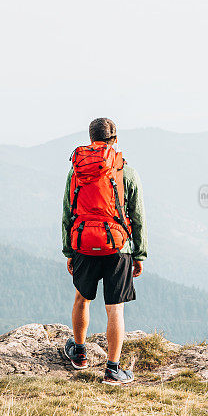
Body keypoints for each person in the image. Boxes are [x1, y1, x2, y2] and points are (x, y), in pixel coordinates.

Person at [61, 117, 147, 385]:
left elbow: (68, 213)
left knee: (81, 299)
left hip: (84, 245)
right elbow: (138, 216)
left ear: (91, 139)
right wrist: (139, 254)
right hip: (118, 247)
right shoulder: (126, 172)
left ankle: (80, 354)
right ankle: (112, 369)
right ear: (115, 139)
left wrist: (69, 251)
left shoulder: (76, 171)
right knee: (115, 310)